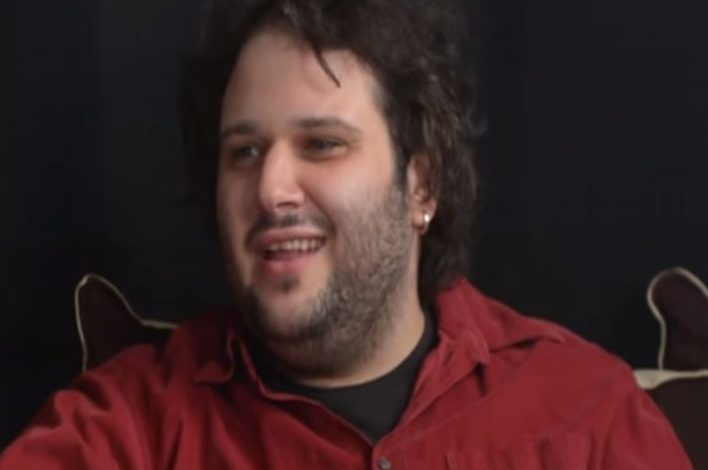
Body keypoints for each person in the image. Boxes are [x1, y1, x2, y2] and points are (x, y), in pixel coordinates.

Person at [0, 0, 693, 468]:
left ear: (422, 186)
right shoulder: (128, 430)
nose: (270, 187)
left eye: (322, 144)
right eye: (245, 151)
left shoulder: (587, 414)